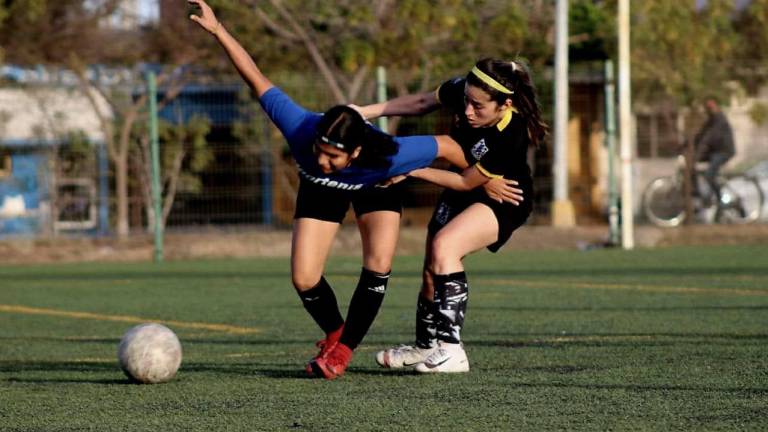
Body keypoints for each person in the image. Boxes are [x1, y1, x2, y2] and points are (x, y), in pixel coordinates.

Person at [188, 0, 519, 380]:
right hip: (321, 190)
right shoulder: (299, 128)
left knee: (378, 265)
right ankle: (335, 331)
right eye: (320, 151)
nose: (323, 158)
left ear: (356, 151)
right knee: (304, 278)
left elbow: (446, 145)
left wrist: (484, 177)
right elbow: (255, 76)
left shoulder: (388, 155)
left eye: (333, 156)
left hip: (374, 184)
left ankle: (342, 351)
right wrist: (218, 31)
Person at [357, 58, 547, 373]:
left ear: (505, 104)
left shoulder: (511, 131)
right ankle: (425, 347)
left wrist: (412, 168)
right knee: (432, 267)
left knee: (446, 247)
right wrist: (364, 112)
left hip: (504, 196)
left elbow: (466, 180)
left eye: (478, 106)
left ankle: (452, 350)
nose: (468, 110)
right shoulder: (464, 90)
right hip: (467, 184)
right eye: (467, 102)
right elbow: (420, 102)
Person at [692, 97, 736, 204]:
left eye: (711, 106)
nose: (710, 109)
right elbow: (701, 133)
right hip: (714, 152)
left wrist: (703, 146)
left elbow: (712, 135)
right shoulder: (711, 119)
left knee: (709, 174)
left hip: (724, 151)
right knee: (692, 166)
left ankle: (719, 198)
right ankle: (700, 193)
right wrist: (687, 143)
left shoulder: (720, 118)